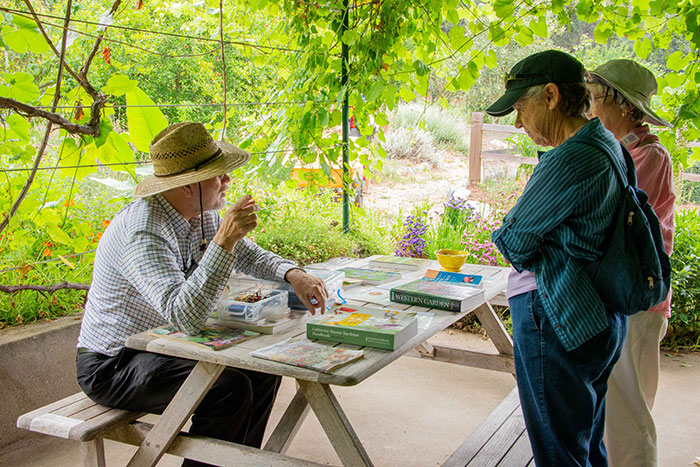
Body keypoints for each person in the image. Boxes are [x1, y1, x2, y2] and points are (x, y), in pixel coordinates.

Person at [76, 122, 328, 467]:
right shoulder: (144, 230)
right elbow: (185, 316)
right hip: (115, 362)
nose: (227, 182)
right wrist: (223, 241)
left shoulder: (199, 213)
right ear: (188, 185)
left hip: (165, 345)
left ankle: (235, 462)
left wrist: (293, 273)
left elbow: (248, 254)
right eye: (218, 175)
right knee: (228, 388)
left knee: (264, 370)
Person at [486, 50, 627, 465]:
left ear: (550, 96)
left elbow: (512, 242)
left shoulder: (573, 156)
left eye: (519, 108)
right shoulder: (606, 143)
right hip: (595, 314)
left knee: (557, 451)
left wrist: (524, 228)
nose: (516, 122)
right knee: (584, 443)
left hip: (559, 315)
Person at [587, 59, 675, 467]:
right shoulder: (618, 150)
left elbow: (605, 216)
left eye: (595, 95)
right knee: (617, 415)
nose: (589, 104)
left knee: (630, 420)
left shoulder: (648, 156)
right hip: (621, 300)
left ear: (623, 105)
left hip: (638, 303)